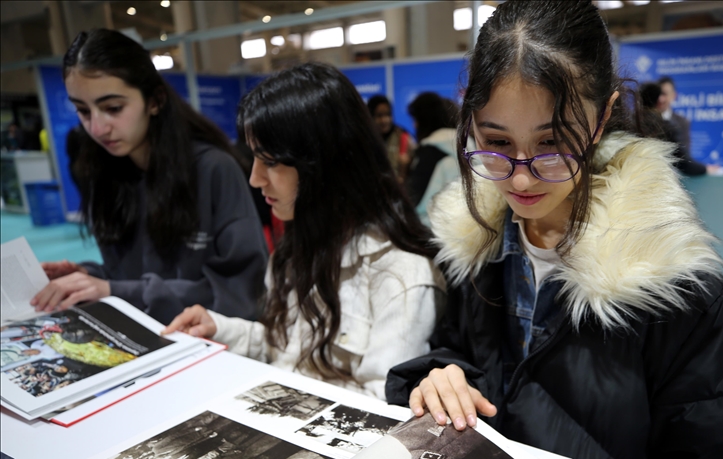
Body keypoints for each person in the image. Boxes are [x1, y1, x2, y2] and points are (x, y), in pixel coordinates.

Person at [385, 2, 723, 459]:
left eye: (552, 144)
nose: (522, 177)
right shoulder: (471, 249)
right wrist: (444, 374)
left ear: (603, 115)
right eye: (498, 143)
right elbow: (455, 349)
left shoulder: (681, 293)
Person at [163, 63, 446, 399]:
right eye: (254, 158)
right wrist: (221, 328)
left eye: (269, 161)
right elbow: (285, 349)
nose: (255, 179)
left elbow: (383, 402)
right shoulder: (296, 248)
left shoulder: (400, 272)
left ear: (324, 164)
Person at [28, 29, 268, 325]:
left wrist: (113, 290)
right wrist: (88, 277)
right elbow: (131, 275)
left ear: (155, 101)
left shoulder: (214, 170)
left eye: (113, 108)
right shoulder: (104, 171)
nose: (98, 128)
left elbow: (240, 292)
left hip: (205, 346)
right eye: (83, 111)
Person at [406, 92, 462, 225]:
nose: (414, 126)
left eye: (416, 120)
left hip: (434, 229)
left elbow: (414, 198)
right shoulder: (465, 143)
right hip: (465, 227)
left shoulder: (430, 151)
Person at [639, 82, 710, 176]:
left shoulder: (629, 124)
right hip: (656, 181)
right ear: (659, 100)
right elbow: (684, 163)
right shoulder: (665, 128)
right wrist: (705, 169)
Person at [368, 94, 416, 182]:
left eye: (388, 114)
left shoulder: (403, 136)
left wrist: (408, 164)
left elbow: (416, 167)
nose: (384, 120)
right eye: (379, 115)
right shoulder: (366, 139)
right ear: (370, 116)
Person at [657, 76, 691, 155]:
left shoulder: (682, 122)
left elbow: (685, 155)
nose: (660, 99)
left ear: (673, 95)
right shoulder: (644, 120)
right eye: (658, 94)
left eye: (664, 94)